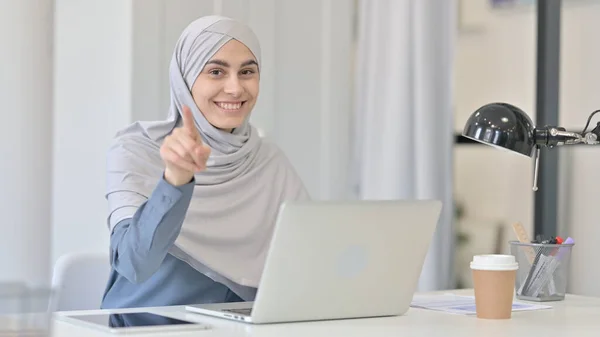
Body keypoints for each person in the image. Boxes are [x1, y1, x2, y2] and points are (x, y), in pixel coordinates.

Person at [100, 15, 309, 309]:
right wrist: (175, 180)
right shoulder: (138, 149)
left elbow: (307, 260)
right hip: (147, 327)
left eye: (247, 72)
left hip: (242, 327)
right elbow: (135, 264)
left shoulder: (268, 160)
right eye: (216, 72)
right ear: (185, 79)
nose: (235, 88)